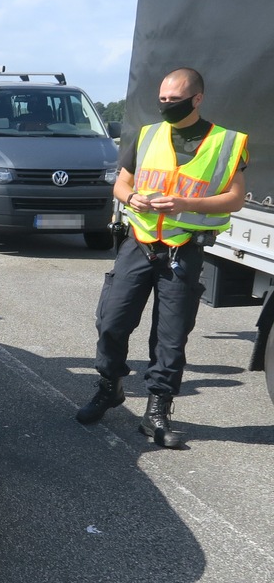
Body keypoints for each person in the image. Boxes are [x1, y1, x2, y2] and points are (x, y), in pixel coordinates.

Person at [76, 67, 249, 447]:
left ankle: (157, 411)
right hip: (138, 244)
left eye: (174, 99)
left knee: (170, 338)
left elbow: (236, 198)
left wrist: (188, 203)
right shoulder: (147, 135)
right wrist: (129, 196)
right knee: (111, 322)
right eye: (163, 98)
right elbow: (122, 181)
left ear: (197, 99)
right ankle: (110, 388)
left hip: (182, 249)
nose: (166, 105)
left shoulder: (225, 142)